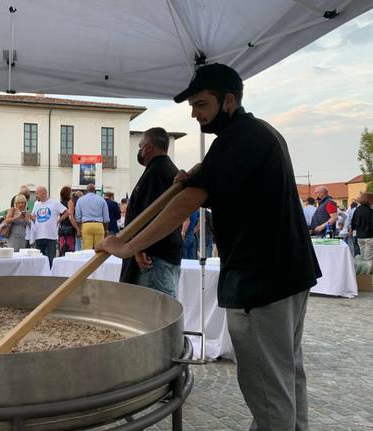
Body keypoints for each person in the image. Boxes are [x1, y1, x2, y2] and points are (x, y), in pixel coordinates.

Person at [96, 63, 320, 431]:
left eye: (201, 104)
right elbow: (237, 194)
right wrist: (196, 179)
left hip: (261, 281)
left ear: (228, 100)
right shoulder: (260, 133)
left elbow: (185, 205)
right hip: (290, 274)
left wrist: (128, 244)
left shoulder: (237, 139)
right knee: (287, 374)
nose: (194, 114)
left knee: (267, 387)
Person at [119, 127, 183, 298]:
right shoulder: (165, 170)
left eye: (140, 146)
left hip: (153, 258)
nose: (139, 151)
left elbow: (150, 215)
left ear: (148, 147)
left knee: (155, 312)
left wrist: (138, 249)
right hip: (160, 254)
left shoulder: (157, 172)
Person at [31, 186, 67, 266]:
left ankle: (50, 276)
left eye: (37, 193)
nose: (36, 195)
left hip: (51, 236)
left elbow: (66, 212)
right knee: (40, 260)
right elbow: (33, 216)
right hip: (39, 235)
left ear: (44, 193)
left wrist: (58, 221)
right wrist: (34, 220)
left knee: (50, 260)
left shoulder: (55, 203)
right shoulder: (36, 204)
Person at [75, 183, 109, 249]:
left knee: (87, 249)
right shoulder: (102, 199)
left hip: (86, 225)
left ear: (86, 190)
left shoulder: (80, 200)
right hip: (99, 225)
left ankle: (88, 259)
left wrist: (79, 229)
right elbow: (106, 218)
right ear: (95, 190)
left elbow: (78, 217)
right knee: (99, 249)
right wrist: (106, 230)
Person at [351, 192, 373, 261]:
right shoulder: (370, 211)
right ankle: (367, 271)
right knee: (368, 259)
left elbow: (353, 223)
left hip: (360, 236)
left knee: (363, 257)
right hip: (369, 236)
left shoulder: (357, 210)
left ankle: (363, 271)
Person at [58, 186, 78, 255]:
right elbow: (70, 217)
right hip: (69, 227)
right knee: (70, 251)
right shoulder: (70, 202)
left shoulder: (60, 203)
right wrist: (77, 228)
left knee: (62, 248)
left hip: (61, 227)